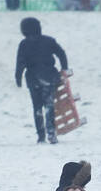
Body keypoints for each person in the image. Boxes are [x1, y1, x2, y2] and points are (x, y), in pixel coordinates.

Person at [14, 16, 68, 144]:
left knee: (37, 107)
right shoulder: (49, 41)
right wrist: (64, 68)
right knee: (49, 105)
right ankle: (51, 133)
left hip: (33, 79)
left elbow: (20, 62)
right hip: (49, 77)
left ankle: (41, 135)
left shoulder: (24, 44)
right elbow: (61, 53)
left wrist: (18, 77)